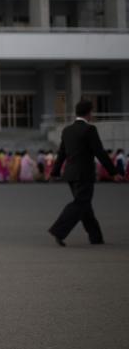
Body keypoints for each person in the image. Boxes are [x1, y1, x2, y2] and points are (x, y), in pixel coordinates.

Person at [48, 100, 118, 246]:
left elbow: (62, 154)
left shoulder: (67, 130)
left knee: (85, 206)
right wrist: (113, 172)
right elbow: (99, 152)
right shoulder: (90, 129)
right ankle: (58, 230)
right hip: (84, 174)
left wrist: (54, 172)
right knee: (81, 203)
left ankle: (96, 237)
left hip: (70, 175)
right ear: (89, 112)